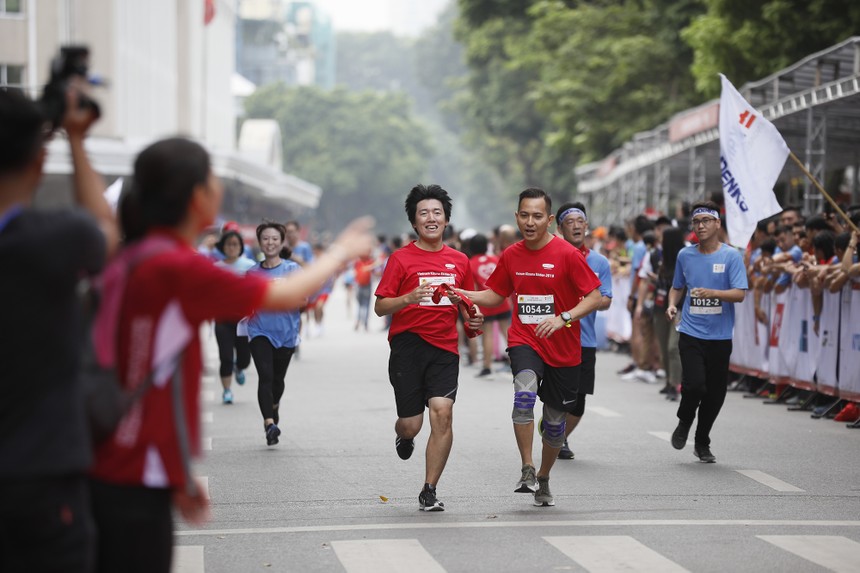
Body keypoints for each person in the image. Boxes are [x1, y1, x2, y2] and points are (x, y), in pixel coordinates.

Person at [89, 136, 374, 573]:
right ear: (199, 198)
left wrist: (180, 474)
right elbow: (285, 294)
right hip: (135, 474)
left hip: (109, 461)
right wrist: (341, 250)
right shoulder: (176, 268)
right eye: (212, 180)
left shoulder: (128, 261)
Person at [0, 85, 118, 573]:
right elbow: (107, 233)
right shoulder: (57, 240)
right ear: (39, 160)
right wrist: (76, 138)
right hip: (43, 472)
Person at [458, 188, 601, 507]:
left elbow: (594, 296)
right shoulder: (511, 255)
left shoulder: (567, 254)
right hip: (525, 340)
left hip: (564, 350)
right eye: (525, 215)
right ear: (516, 217)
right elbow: (495, 295)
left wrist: (564, 317)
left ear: (549, 220)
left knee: (553, 425)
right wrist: (462, 293)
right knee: (523, 397)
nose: (530, 222)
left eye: (537, 216)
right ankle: (527, 467)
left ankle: (545, 477)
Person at [374, 184, 482, 512]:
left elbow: (470, 306)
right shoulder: (401, 258)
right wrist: (408, 298)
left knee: (443, 413)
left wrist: (473, 321)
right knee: (412, 424)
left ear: (447, 219)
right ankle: (404, 436)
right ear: (414, 222)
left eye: (437, 212)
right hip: (407, 347)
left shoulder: (459, 261)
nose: (431, 218)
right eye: (424, 213)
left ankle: (429, 489)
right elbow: (381, 307)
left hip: (445, 349)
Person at [666, 201, 747, 463]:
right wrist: (671, 304)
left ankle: (702, 441)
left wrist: (714, 293)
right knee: (695, 385)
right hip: (691, 331)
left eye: (705, 221)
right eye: (696, 222)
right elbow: (677, 286)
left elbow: (739, 294)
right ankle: (684, 421)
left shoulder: (731, 256)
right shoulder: (685, 255)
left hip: (720, 336)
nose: (700, 226)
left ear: (717, 224)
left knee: (715, 394)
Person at [554, 202, 613, 459]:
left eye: (580, 221)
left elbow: (607, 300)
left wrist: (584, 302)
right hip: (555, 338)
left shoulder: (600, 262)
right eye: (570, 221)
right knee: (555, 395)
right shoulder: (553, 257)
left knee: (578, 402)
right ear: (560, 228)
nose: (576, 225)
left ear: (587, 226)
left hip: (585, 340)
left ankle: (561, 436)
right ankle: (555, 433)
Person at [247, 222, 301, 446]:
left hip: (286, 333)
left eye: (274, 239)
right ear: (260, 243)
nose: (270, 243)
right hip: (259, 330)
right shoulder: (252, 272)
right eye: (266, 239)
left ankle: (274, 408)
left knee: (278, 381)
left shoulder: (292, 270)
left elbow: (303, 299)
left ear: (282, 242)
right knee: (266, 376)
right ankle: (269, 423)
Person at [213, 230, 256, 404]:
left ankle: (239, 368)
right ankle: (227, 391)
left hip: (243, 320)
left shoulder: (249, 265)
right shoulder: (216, 268)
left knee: (245, 359)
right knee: (225, 357)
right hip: (222, 319)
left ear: (241, 247)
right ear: (223, 247)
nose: (232, 247)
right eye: (228, 244)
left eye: (235, 244)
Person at [468, 233, 511, 378]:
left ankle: (487, 367)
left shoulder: (471, 263)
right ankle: (516, 363)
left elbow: (472, 287)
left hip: (486, 303)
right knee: (507, 333)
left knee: (488, 334)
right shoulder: (495, 258)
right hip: (501, 300)